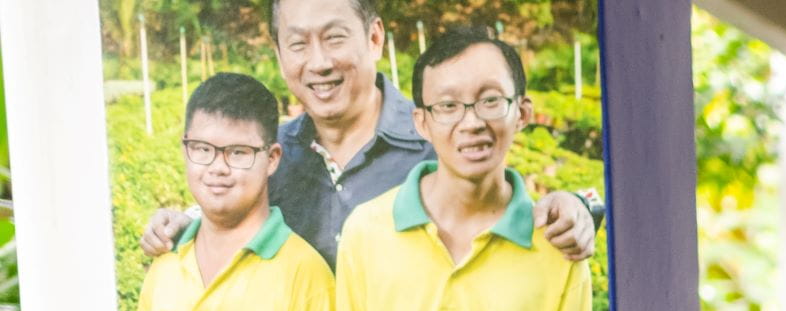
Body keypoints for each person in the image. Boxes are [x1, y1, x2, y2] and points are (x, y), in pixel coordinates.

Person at [138, 0, 600, 271]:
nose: (318, 63)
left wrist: (581, 206)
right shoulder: (269, 156)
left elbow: (506, 208)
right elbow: (222, 213)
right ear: (279, 54)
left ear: (375, 38)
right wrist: (182, 222)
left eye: (335, 38)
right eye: (298, 44)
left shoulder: (437, 138)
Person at [334, 26, 595, 311]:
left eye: (490, 100)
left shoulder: (556, 254)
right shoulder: (367, 233)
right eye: (449, 106)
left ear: (522, 111)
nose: (471, 122)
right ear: (422, 121)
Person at [133, 74, 339, 311]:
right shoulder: (164, 268)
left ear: (272, 159)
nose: (217, 167)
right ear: (184, 149)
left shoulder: (303, 275)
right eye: (203, 149)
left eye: (239, 153)